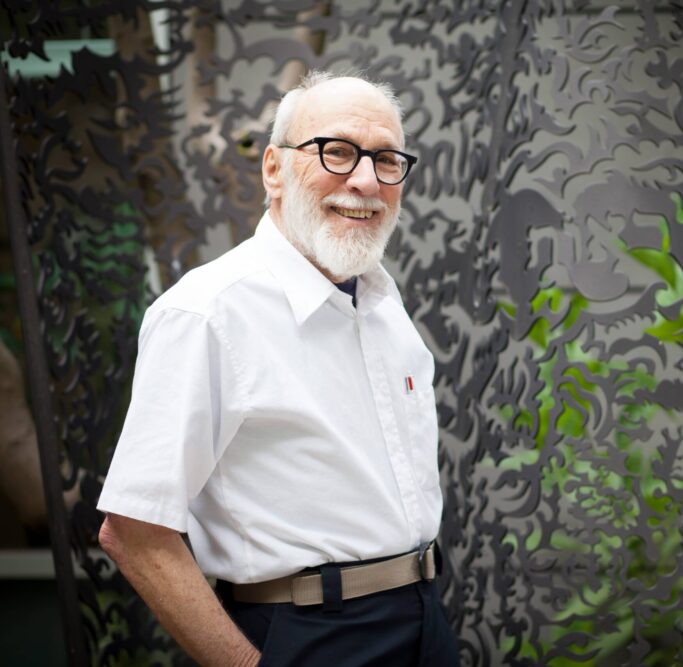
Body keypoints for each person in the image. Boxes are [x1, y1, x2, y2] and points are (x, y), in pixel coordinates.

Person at [97, 71, 459, 667]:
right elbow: (134, 534)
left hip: (425, 621)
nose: (366, 181)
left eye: (387, 159)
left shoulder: (383, 306)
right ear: (273, 169)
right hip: (307, 634)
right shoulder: (207, 312)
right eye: (337, 151)